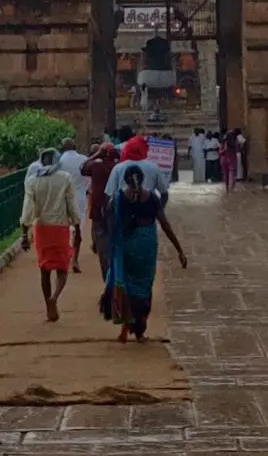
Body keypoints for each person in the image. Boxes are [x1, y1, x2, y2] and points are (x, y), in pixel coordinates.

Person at [101, 160, 188, 340]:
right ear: (141, 179)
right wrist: (179, 250)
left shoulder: (118, 198)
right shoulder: (152, 198)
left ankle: (125, 324)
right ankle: (139, 332)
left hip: (126, 249)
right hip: (146, 250)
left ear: (126, 180)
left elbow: (107, 218)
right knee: (144, 289)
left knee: (125, 284)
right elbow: (165, 225)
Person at [19, 145, 84, 321]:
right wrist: (77, 227)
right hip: (61, 227)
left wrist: (24, 233)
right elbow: (72, 205)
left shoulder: (32, 181)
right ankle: (55, 296)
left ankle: (49, 305)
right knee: (62, 267)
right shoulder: (65, 178)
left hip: (42, 229)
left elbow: (27, 209)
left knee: (44, 269)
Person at [79, 139, 120, 283]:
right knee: (117, 247)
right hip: (116, 211)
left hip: (99, 211)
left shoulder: (96, 167)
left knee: (103, 251)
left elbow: (82, 168)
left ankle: (108, 280)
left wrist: (95, 155)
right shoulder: (118, 167)